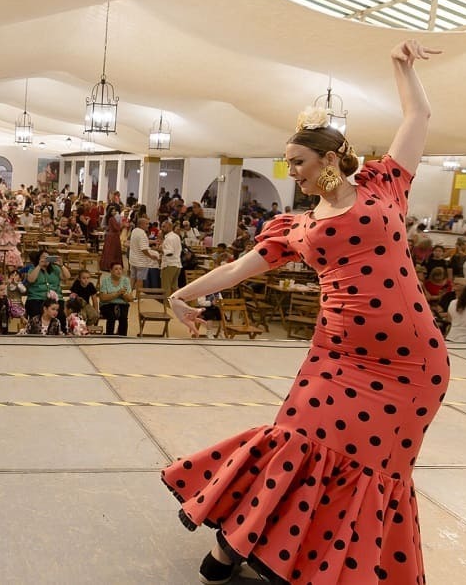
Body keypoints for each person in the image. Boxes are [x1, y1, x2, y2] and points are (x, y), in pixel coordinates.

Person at [162, 40, 447, 585]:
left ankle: (329, 564)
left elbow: (419, 116)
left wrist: (400, 65)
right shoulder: (296, 227)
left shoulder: (384, 184)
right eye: (288, 163)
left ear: (329, 160)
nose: (291, 171)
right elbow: (237, 268)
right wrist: (182, 295)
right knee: (295, 438)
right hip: (337, 357)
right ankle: (233, 543)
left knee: (378, 469)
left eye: (297, 162)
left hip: (413, 365)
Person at [24, 250, 70, 323]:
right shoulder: (33, 268)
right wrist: (39, 266)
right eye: (43, 257)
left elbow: (67, 276)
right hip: (37, 298)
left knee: (61, 316)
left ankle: (59, 329)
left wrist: (62, 265)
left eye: (48, 257)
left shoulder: (55, 268)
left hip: (55, 299)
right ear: (39, 259)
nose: (46, 259)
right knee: (36, 315)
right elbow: (31, 280)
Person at [98, 263, 132, 337]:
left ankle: (122, 337)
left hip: (122, 304)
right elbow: (103, 298)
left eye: (120, 269)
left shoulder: (126, 280)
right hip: (107, 304)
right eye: (116, 269)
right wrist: (117, 293)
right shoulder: (105, 280)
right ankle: (109, 336)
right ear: (111, 271)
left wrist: (123, 294)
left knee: (123, 318)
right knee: (111, 317)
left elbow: (130, 299)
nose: (119, 271)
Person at [128, 214, 160, 291]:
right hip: (141, 262)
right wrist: (151, 256)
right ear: (141, 225)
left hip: (133, 260)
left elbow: (141, 242)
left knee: (132, 278)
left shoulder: (135, 231)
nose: (148, 226)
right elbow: (144, 249)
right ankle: (138, 295)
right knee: (140, 280)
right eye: (146, 224)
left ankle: (129, 293)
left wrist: (154, 241)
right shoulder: (142, 234)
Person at [160, 219, 183, 297]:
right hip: (177, 264)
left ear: (170, 227)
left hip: (169, 265)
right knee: (174, 287)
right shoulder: (176, 236)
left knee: (166, 288)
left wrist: (160, 250)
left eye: (164, 227)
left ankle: (166, 304)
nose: (162, 228)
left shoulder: (169, 238)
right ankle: (176, 302)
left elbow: (170, 252)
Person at [99, 206, 124, 272]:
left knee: (109, 251)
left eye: (114, 211)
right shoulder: (112, 219)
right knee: (112, 252)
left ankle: (108, 266)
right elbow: (116, 228)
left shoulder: (111, 218)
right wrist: (122, 225)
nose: (114, 212)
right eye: (112, 211)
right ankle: (110, 266)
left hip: (111, 236)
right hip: (113, 236)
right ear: (110, 212)